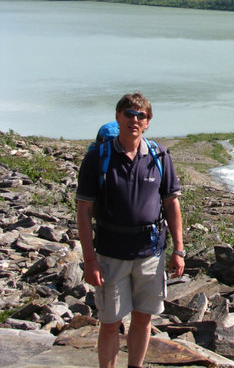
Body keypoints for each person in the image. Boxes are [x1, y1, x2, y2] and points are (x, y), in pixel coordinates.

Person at [76, 92, 184, 368]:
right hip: (111, 255)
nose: (134, 120)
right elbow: (84, 211)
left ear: (148, 122)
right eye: (129, 114)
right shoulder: (98, 159)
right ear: (118, 117)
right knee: (110, 322)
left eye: (141, 116)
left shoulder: (159, 156)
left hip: (151, 253)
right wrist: (89, 260)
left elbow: (171, 203)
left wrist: (179, 251)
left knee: (143, 318)